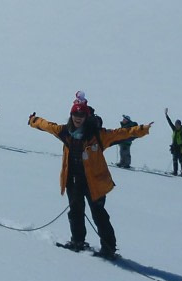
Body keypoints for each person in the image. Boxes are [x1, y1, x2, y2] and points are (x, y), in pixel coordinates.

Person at [28, 92, 150, 259]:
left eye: (81, 114)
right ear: (71, 115)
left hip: (94, 182)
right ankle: (77, 241)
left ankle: (109, 248)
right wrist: (33, 121)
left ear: (86, 116)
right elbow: (47, 125)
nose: (78, 117)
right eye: (75, 114)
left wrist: (141, 129)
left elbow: (121, 133)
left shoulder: (97, 135)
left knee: (99, 214)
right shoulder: (65, 131)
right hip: (73, 181)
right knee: (75, 212)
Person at [164, 110, 182, 176]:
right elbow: (170, 123)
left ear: (180, 125)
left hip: (181, 148)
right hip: (175, 147)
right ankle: (175, 172)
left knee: (181, 161)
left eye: (177, 125)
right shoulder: (174, 129)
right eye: (176, 125)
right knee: (174, 160)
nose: (176, 126)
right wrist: (166, 115)